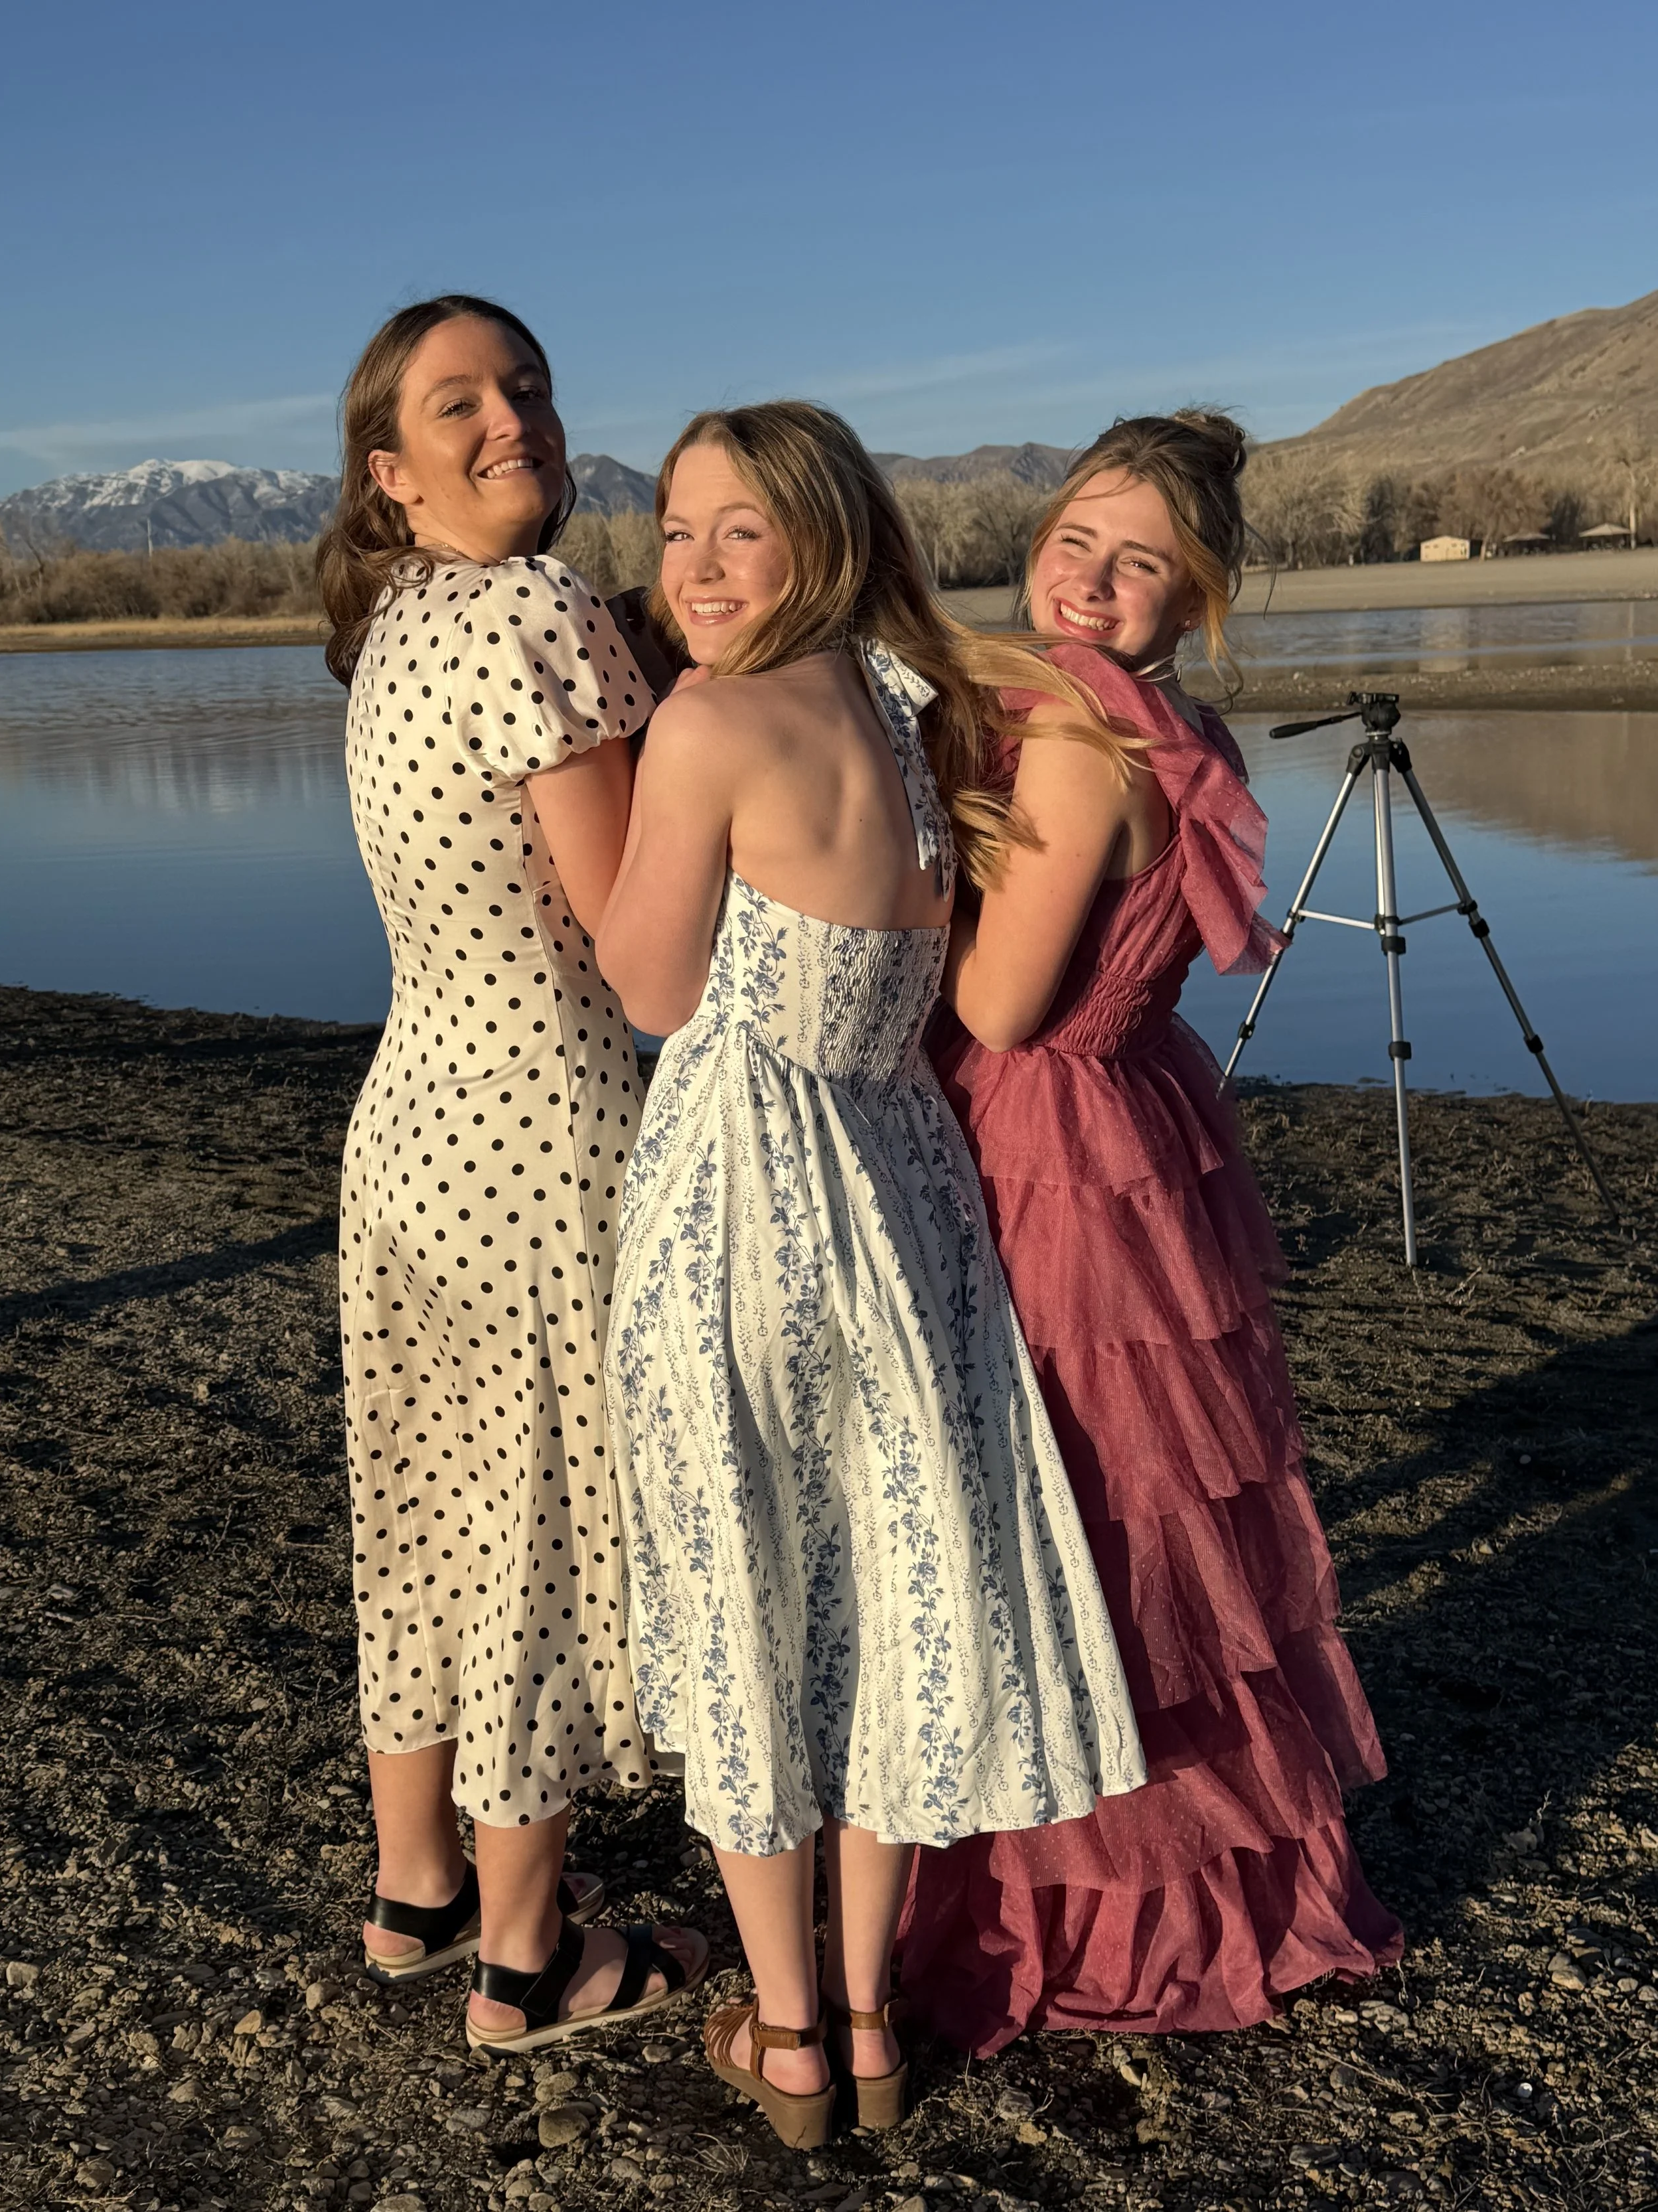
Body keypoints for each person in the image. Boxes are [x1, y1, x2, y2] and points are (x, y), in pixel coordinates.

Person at [596, 402, 1146, 2148]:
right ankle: (867, 2017)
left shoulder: (709, 722)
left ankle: (780, 2034)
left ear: (815, 539)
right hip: (900, 1187)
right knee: (891, 1600)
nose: (689, 565)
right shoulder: (915, 717)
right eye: (674, 529)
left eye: (732, 532)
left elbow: (648, 986)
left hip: (741, 1195)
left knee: (745, 1599)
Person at [897, 412, 1402, 2050]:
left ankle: (1093, 1894)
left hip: (1042, 1138)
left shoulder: (1069, 740)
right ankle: (1202, 1869)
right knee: (1144, 1506)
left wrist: (906, 857)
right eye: (1075, 541)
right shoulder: (1172, 729)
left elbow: (994, 995)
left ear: (1195, 595)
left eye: (1139, 562)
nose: (1093, 580)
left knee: (1076, 1514)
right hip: (1135, 1120)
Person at [318, 294, 706, 2055]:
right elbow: (644, 958)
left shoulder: (398, 625)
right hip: (542, 1135)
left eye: (528, 389)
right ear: (390, 476)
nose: (513, 421)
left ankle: (416, 1891)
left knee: (421, 1515)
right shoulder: (539, 611)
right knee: (536, 1542)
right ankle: (530, 1958)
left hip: (404, 1127)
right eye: (459, 403)